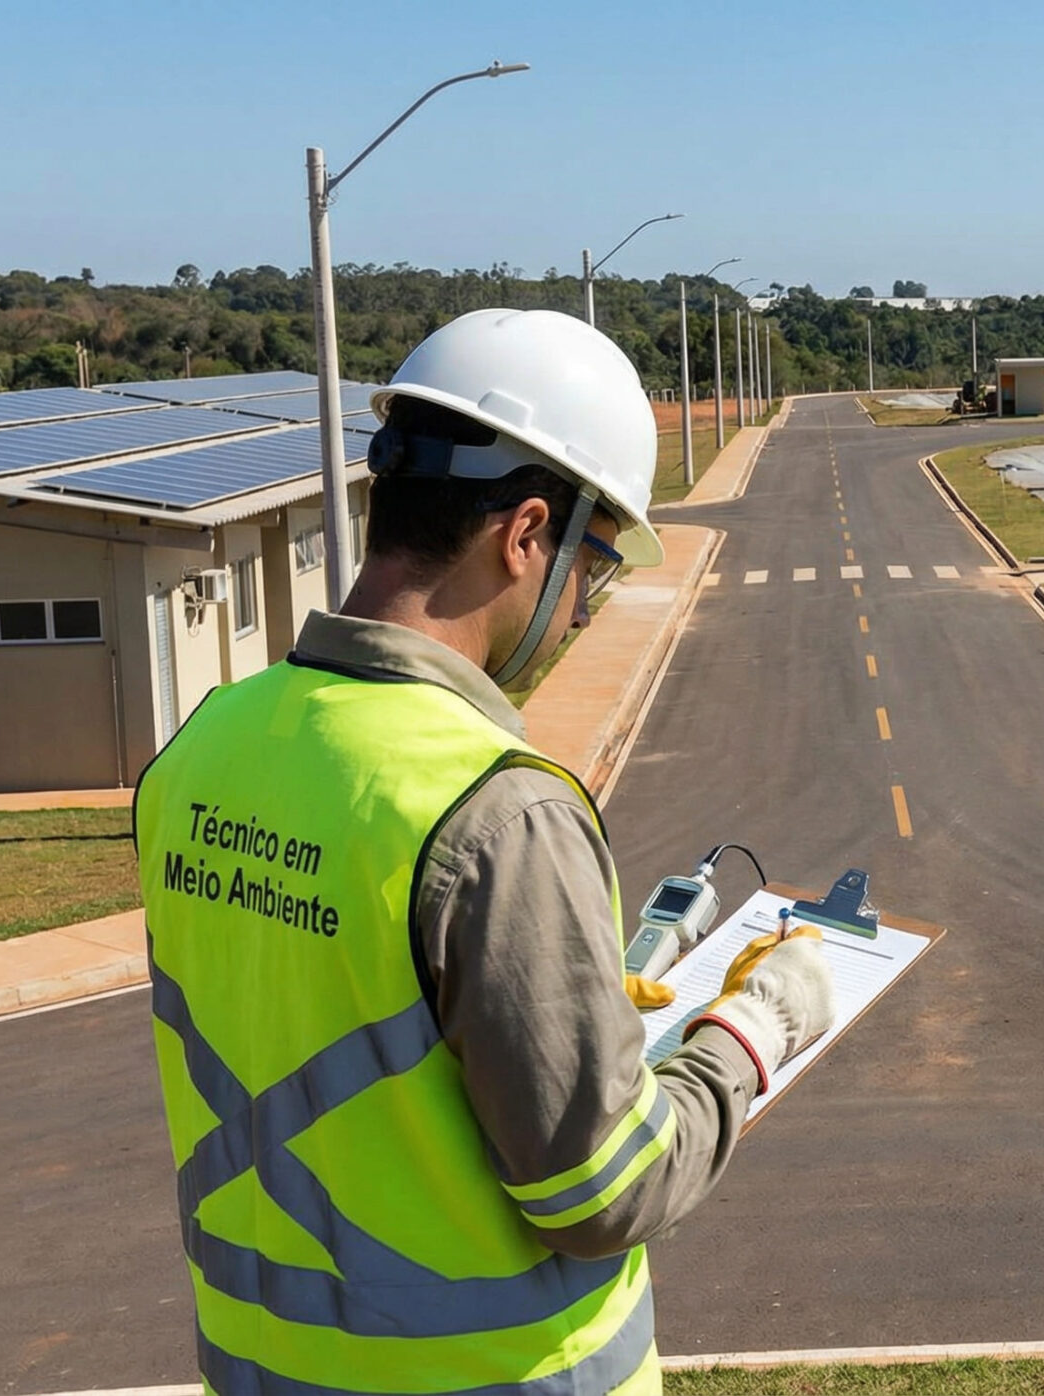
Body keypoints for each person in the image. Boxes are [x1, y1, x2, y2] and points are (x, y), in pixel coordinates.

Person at [135, 308, 834, 1393]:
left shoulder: (200, 750)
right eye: (595, 565)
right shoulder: (500, 812)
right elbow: (605, 1191)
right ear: (525, 534)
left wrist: (551, 1006)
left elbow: (337, 1005)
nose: (582, 611)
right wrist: (753, 1030)